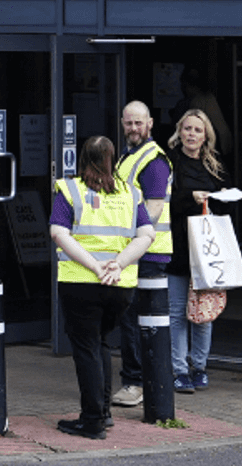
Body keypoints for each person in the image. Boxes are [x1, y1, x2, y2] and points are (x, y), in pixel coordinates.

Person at [49, 134, 155, 439]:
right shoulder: (130, 193)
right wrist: (118, 264)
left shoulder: (70, 189)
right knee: (101, 343)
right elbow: (146, 235)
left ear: (83, 157)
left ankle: (92, 420)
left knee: (86, 348)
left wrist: (95, 267)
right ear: (112, 159)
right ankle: (104, 413)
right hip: (120, 285)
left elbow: (58, 232)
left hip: (81, 282)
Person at [112, 100, 172, 408]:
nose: (133, 128)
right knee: (132, 319)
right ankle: (140, 380)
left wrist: (133, 245)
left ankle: (136, 383)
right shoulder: (129, 156)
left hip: (147, 253)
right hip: (137, 252)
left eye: (139, 123)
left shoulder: (153, 160)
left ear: (150, 123)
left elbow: (155, 207)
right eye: (129, 123)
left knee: (135, 320)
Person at [165, 109, 227, 392]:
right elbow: (164, 201)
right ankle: (179, 370)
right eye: (187, 128)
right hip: (178, 245)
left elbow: (226, 200)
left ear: (206, 136)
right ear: (180, 132)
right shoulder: (169, 162)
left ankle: (199, 367)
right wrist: (190, 198)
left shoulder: (214, 164)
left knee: (204, 311)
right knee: (177, 312)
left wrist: (218, 199)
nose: (191, 134)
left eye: (197, 130)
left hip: (207, 249)